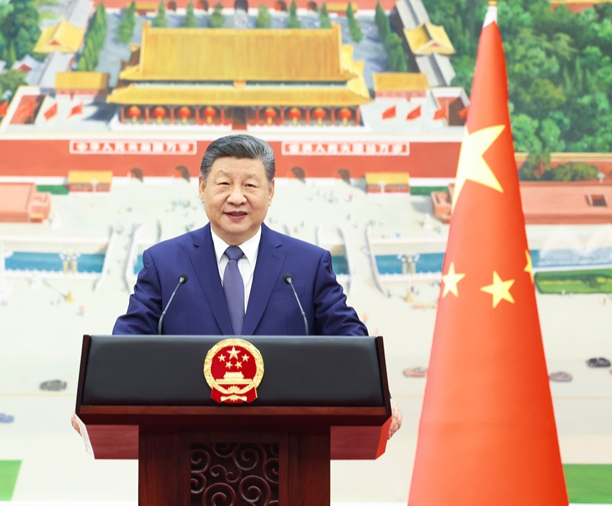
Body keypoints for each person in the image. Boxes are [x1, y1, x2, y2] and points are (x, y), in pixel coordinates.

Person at [108, 134, 402, 438]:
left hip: (288, 441)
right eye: (224, 184)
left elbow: (350, 341)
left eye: (250, 185)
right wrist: (99, 397)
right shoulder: (165, 263)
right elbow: (126, 345)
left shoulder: (308, 265)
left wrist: (377, 395)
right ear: (202, 188)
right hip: (183, 441)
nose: (237, 197)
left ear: (270, 191)